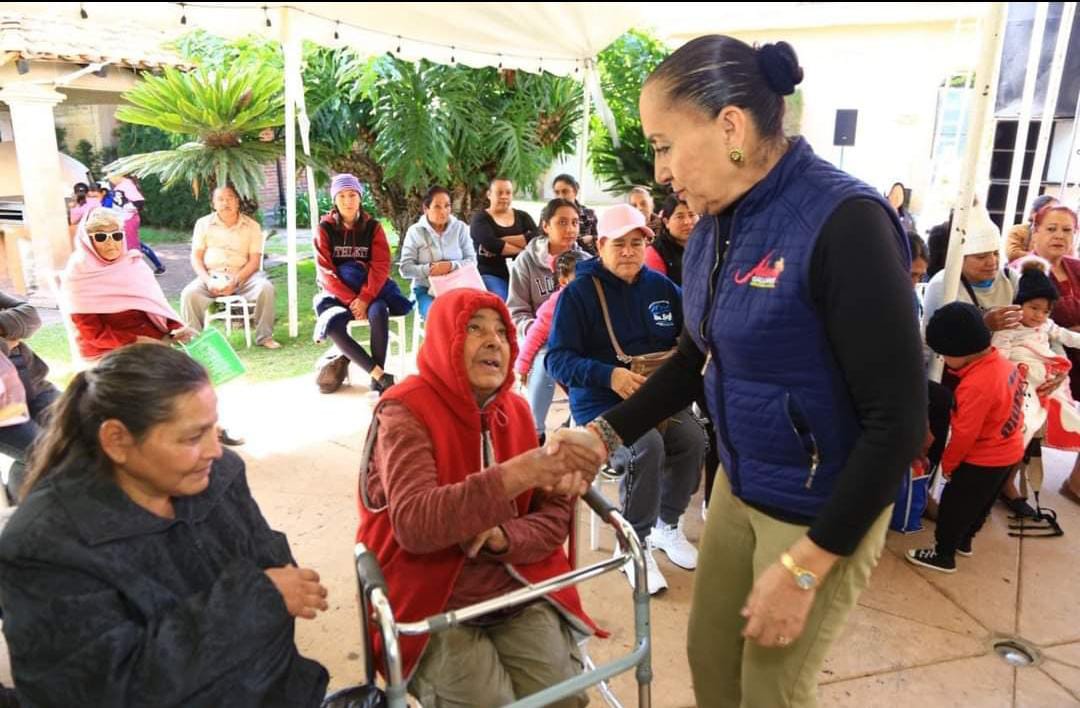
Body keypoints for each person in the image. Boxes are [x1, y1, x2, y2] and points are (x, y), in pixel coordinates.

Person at [573, 35, 924, 706]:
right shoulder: (712, 223)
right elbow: (695, 357)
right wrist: (602, 436)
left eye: (664, 143)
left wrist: (806, 566)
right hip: (742, 483)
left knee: (771, 690)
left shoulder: (846, 222)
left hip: (824, 502)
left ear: (730, 126)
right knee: (710, 660)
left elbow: (900, 422)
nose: (661, 169)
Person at [0, 345, 330, 706]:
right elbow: (95, 693)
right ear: (117, 440)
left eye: (213, 429)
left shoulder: (218, 475)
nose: (215, 451)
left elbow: (274, 565)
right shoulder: (46, 544)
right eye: (192, 437)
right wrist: (254, 603)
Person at [357, 288, 603, 707]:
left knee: (564, 699)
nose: (494, 341)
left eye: (503, 332)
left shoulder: (519, 411)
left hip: (516, 588)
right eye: (474, 328)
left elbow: (555, 518)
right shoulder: (403, 411)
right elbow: (415, 524)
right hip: (432, 600)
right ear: (443, 337)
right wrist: (519, 472)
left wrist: (502, 537)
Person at [547, 204, 706, 595]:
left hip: (655, 398)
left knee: (693, 439)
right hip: (601, 403)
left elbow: (695, 331)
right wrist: (609, 375)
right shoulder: (579, 294)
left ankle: (667, 527)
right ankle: (631, 545)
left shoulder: (662, 288)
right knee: (645, 447)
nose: (630, 251)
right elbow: (556, 359)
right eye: (620, 243)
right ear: (600, 245)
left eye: (637, 242)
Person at [908, 303, 1024, 572]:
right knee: (981, 505)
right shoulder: (1003, 365)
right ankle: (965, 542)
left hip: (981, 459)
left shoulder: (975, 385)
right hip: (1008, 453)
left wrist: (949, 465)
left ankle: (943, 555)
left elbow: (964, 433)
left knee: (953, 507)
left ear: (960, 351)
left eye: (944, 354)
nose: (943, 360)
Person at [313, 174, 412, 395]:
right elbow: (325, 272)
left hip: (370, 294)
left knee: (380, 311)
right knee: (332, 324)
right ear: (334, 200)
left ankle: (377, 382)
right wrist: (351, 301)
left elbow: (380, 265)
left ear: (360, 197)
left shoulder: (372, 227)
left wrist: (365, 299)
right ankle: (379, 375)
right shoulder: (325, 229)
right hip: (338, 296)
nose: (348, 201)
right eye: (342, 196)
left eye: (352, 195)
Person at [508, 198, 591, 443]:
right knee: (547, 355)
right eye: (562, 222)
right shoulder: (526, 261)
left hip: (581, 341)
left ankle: (589, 428)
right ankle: (534, 433)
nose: (570, 229)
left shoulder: (586, 262)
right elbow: (516, 312)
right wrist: (538, 330)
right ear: (546, 226)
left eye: (575, 222)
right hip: (539, 339)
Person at [61, 207, 194, 360]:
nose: (111, 242)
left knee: (193, 371)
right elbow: (93, 334)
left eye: (116, 235)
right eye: (101, 237)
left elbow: (157, 307)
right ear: (87, 241)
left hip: (154, 341)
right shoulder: (78, 273)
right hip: (108, 351)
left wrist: (175, 328)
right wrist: (137, 341)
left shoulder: (134, 265)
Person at [180, 185, 280, 349]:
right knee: (189, 293)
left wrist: (236, 280)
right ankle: (194, 341)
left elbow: (254, 261)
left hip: (243, 276)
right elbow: (196, 258)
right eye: (220, 199)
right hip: (212, 275)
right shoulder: (203, 224)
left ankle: (265, 337)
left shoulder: (252, 226)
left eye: (230, 198)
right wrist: (208, 281)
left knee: (266, 288)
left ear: (238, 201)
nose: (225, 202)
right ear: (213, 204)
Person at [0, 292, 59, 502]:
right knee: (48, 453)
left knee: (82, 434)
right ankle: (23, 506)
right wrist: (7, 341)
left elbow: (31, 316)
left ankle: (20, 499)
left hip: (34, 385)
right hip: (2, 414)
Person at [399, 185, 476, 320]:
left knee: (476, 314)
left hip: (458, 288)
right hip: (425, 290)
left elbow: (472, 262)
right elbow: (405, 269)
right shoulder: (415, 232)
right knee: (438, 315)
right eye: (437, 207)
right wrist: (429, 269)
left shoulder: (461, 228)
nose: (444, 211)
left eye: (447, 206)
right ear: (426, 209)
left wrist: (451, 266)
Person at [515, 251, 578, 388]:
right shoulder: (556, 304)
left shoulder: (599, 297)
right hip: (567, 361)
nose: (587, 281)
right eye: (580, 277)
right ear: (563, 280)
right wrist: (523, 366)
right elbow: (536, 334)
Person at [469, 178, 538, 300]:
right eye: (499, 193)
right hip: (491, 274)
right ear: (489, 194)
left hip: (523, 274)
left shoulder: (523, 216)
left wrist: (501, 239)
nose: (504, 196)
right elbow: (492, 244)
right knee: (504, 303)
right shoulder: (479, 219)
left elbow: (536, 239)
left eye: (508, 192)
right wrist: (524, 249)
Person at [106, 174, 166, 275]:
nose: (110, 180)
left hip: (128, 219)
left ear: (117, 175)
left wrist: (128, 207)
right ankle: (157, 266)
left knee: (133, 246)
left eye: (110, 177)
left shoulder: (126, 185)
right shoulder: (123, 185)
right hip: (125, 219)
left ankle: (138, 271)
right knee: (133, 244)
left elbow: (139, 202)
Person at [644, 194, 699, 284]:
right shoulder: (655, 253)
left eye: (691, 215)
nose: (687, 222)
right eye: (680, 217)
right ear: (666, 222)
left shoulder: (708, 246)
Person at [552, 173, 599, 255]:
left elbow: (601, 238)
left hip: (586, 258)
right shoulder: (549, 213)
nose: (560, 196)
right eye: (557, 192)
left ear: (575, 192)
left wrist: (591, 238)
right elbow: (542, 238)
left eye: (565, 192)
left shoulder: (589, 214)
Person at [1005, 194, 1059, 262]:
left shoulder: (1059, 235)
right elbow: (1012, 254)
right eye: (1049, 211)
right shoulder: (1018, 230)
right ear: (1034, 212)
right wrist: (1043, 257)